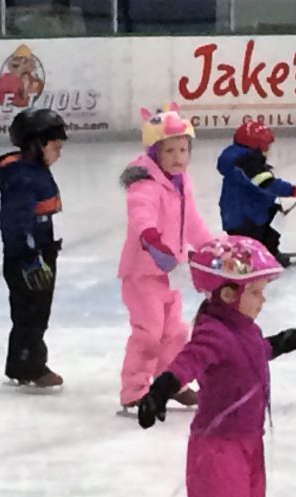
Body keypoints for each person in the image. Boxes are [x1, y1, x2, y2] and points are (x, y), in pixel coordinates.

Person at [136, 236, 296, 497]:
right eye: (257, 293)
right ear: (229, 293)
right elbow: (190, 361)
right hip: (217, 447)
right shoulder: (214, 331)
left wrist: (278, 345)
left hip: (247, 441)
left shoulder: (242, 328)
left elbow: (250, 353)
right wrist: (161, 390)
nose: (262, 301)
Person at [118, 103, 214, 411]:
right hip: (143, 273)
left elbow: (192, 223)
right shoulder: (145, 183)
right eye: (170, 151)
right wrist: (150, 236)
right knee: (149, 334)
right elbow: (140, 213)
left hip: (172, 271)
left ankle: (171, 382)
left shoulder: (181, 182)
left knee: (175, 333)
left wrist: (211, 247)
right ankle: (134, 391)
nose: (178, 158)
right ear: (155, 152)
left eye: (183, 150)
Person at [0, 107, 67, 391]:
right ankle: (30, 364)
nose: (59, 152)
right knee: (30, 314)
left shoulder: (35, 171)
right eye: (55, 146)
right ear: (37, 144)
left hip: (41, 253)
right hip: (28, 258)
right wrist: (30, 258)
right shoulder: (23, 177)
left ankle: (21, 363)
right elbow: (16, 223)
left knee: (36, 312)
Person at [216, 121, 296, 268]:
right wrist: (295, 191)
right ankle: (253, 256)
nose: (268, 150)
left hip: (252, 213)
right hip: (244, 219)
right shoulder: (245, 163)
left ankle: (268, 252)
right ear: (257, 146)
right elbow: (266, 183)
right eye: (266, 146)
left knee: (275, 214)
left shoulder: (244, 159)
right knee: (271, 220)